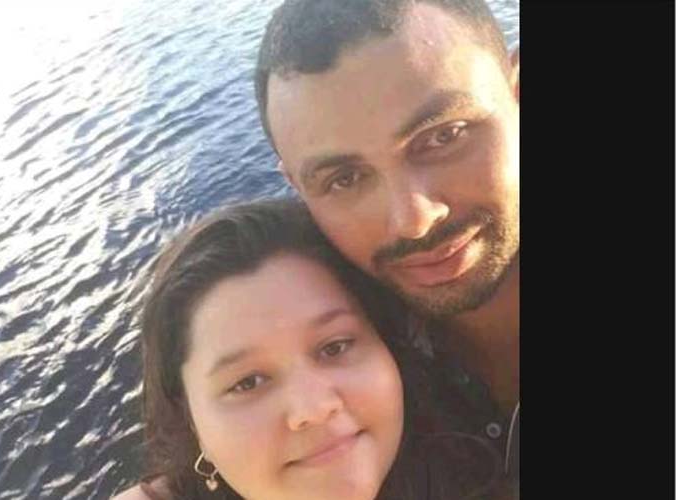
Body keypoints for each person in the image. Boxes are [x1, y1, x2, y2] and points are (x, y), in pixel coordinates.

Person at [253, 0, 520, 495]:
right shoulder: (325, 320)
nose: (414, 221)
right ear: (299, 188)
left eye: (443, 137)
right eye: (344, 179)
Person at [115, 199, 501, 500]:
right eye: (247, 382)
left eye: (334, 347)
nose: (313, 409)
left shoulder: (485, 456)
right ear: (192, 421)